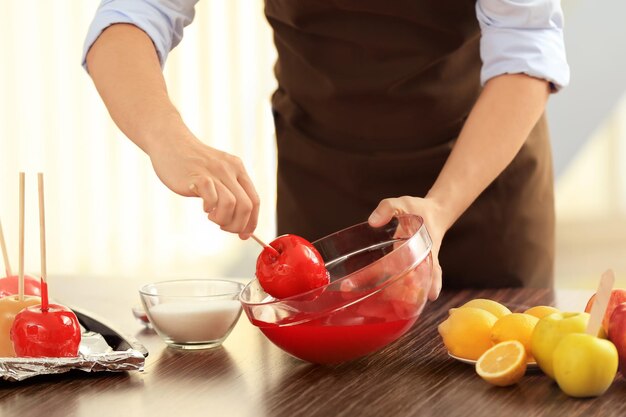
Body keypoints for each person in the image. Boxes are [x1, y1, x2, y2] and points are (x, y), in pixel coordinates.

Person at [82, 0, 569, 301]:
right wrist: (170, 141)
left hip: (479, 189)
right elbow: (129, 15)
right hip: (324, 180)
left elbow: (527, 45)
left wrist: (441, 207)